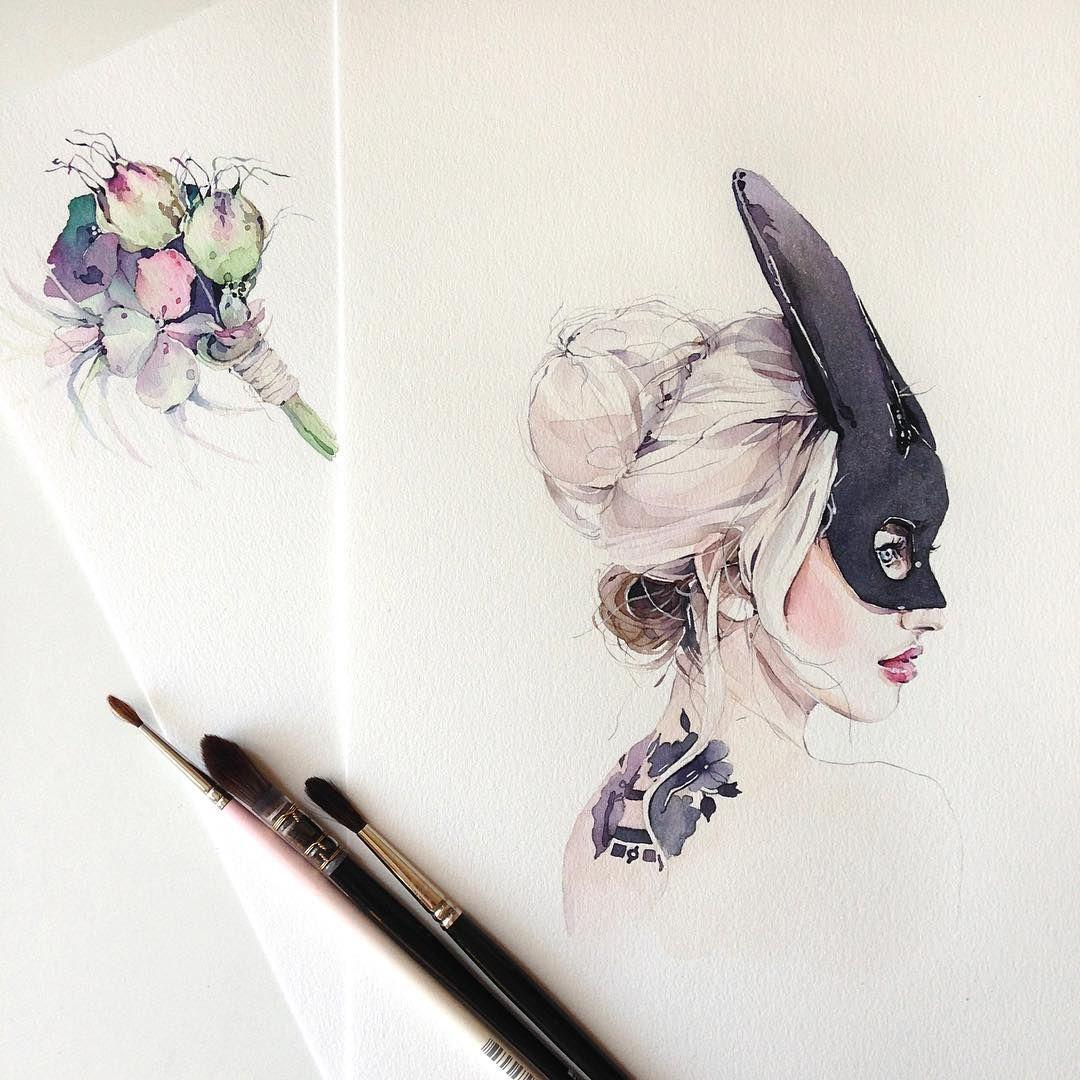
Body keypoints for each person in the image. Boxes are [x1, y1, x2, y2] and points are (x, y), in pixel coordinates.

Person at [526, 172, 959, 940]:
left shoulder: (595, 838)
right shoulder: (887, 830)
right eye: (889, 549)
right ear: (729, 574)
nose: (931, 612)